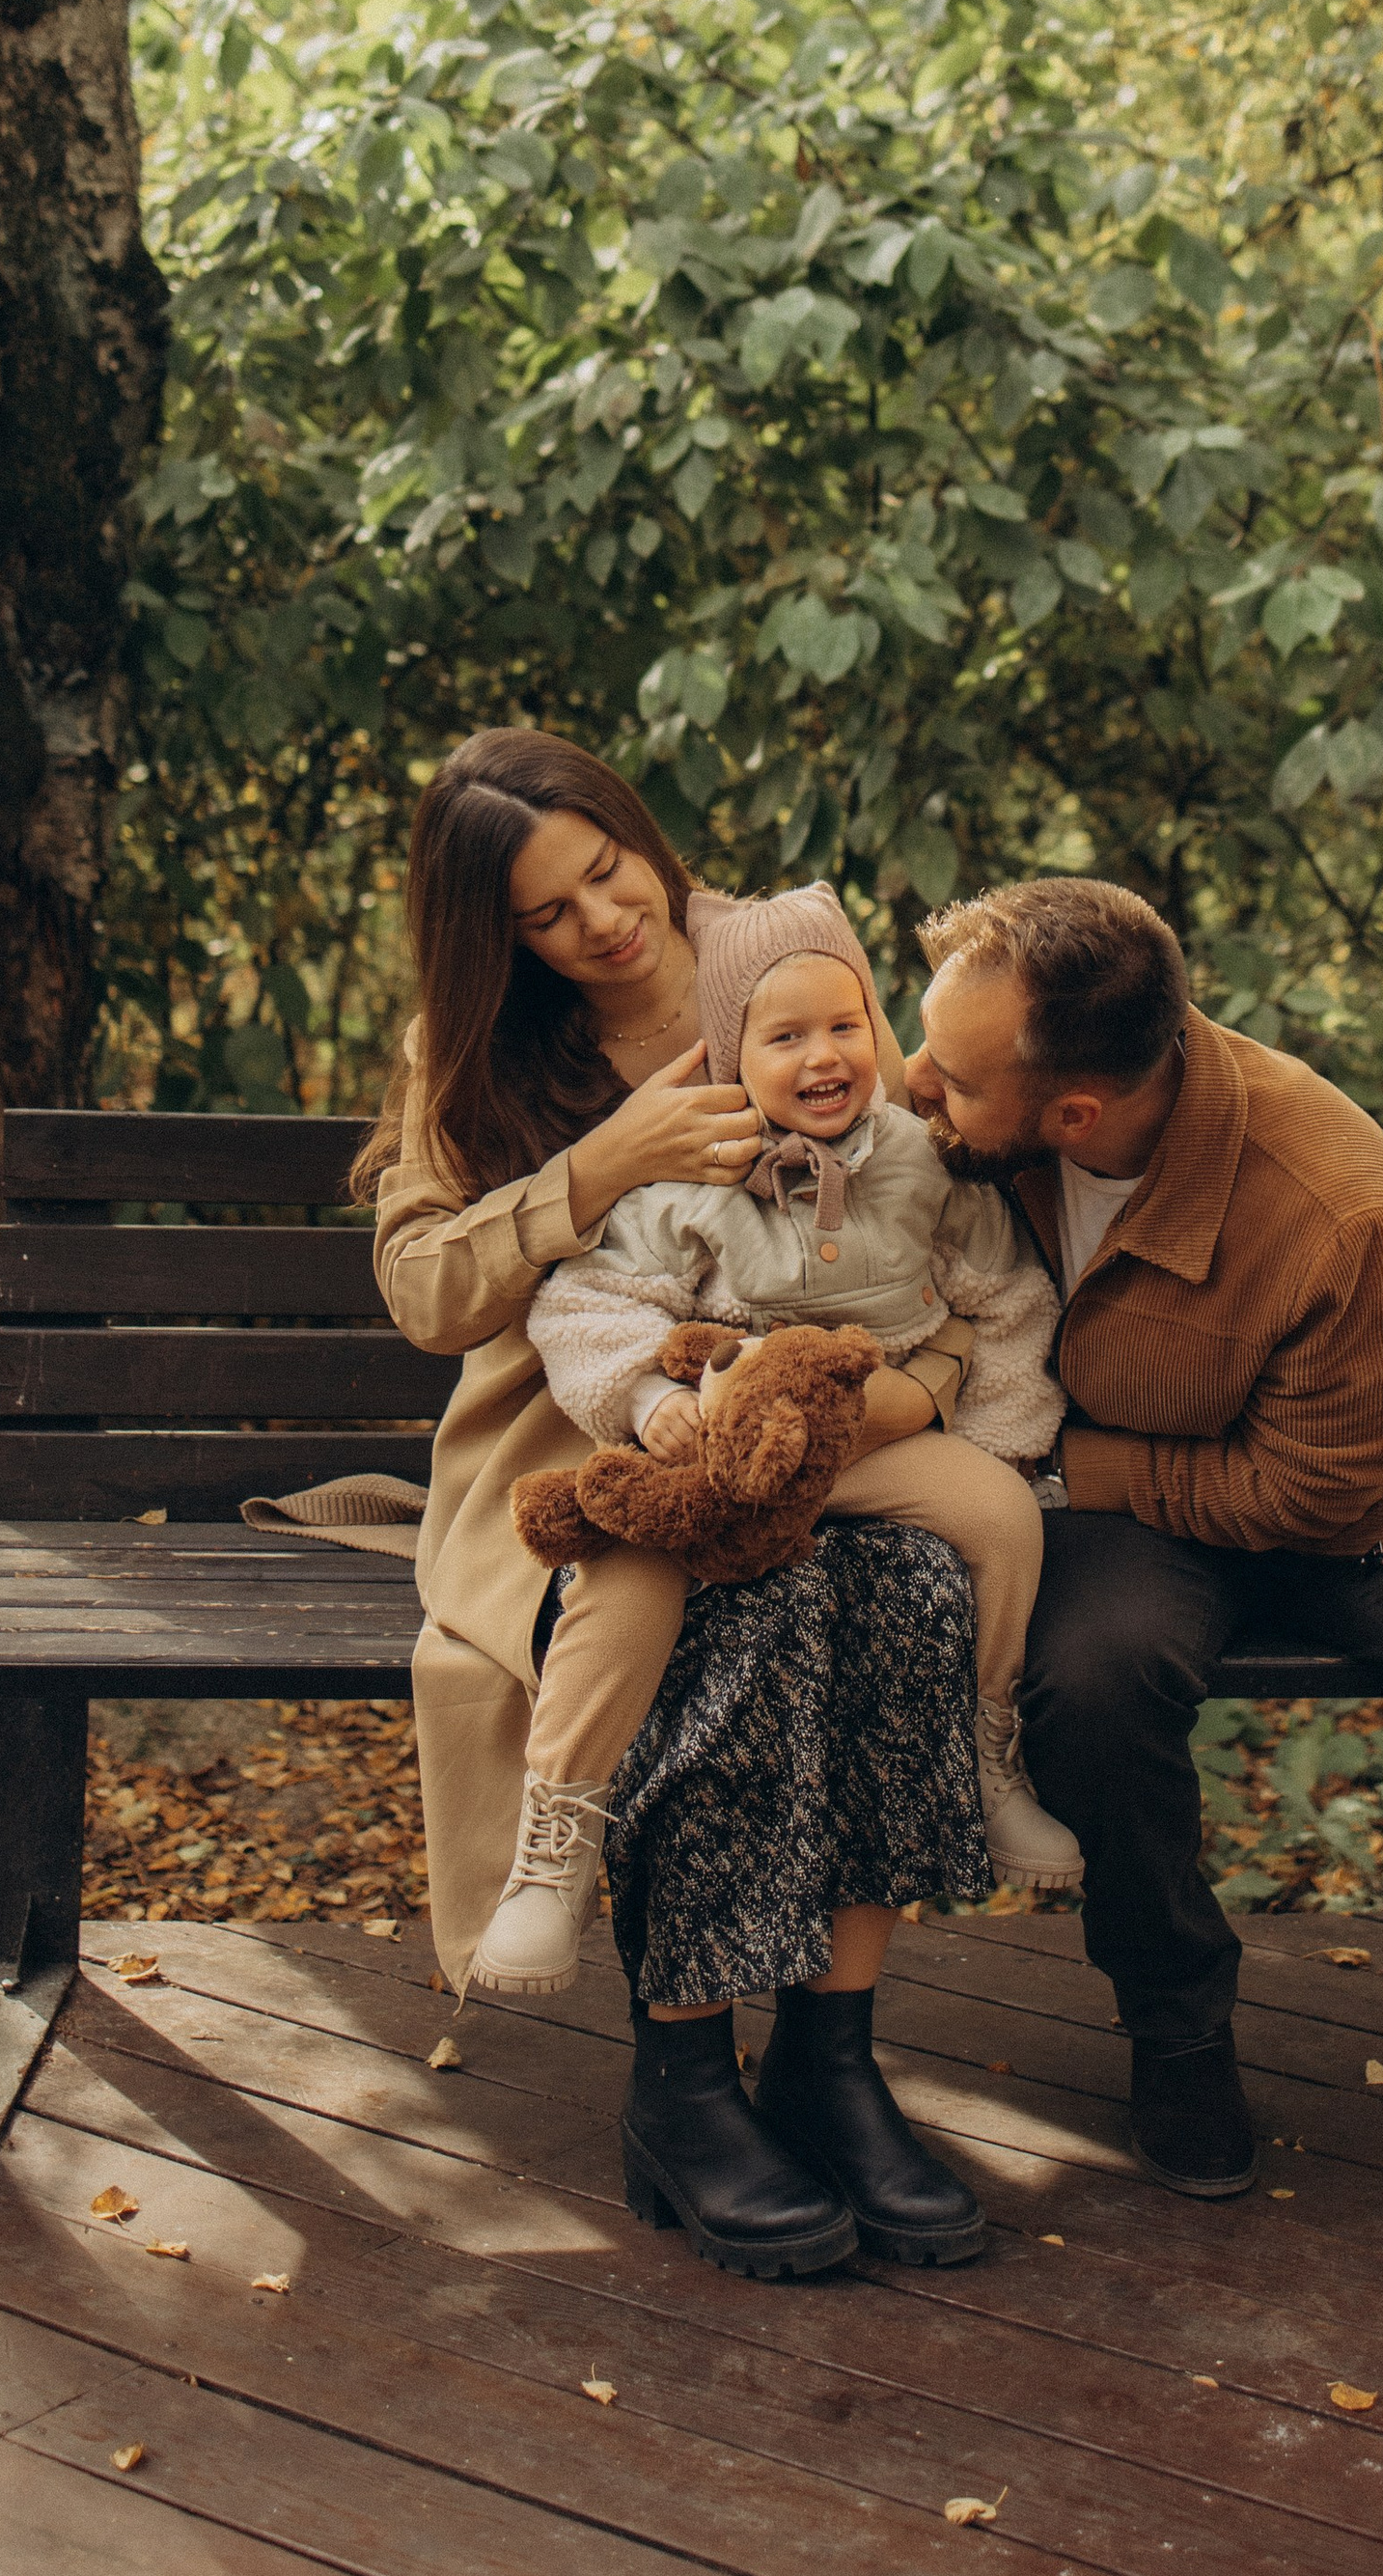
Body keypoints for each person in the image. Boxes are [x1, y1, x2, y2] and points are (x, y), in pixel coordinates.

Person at [905, 875, 1383, 2361]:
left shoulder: (1343, 1207)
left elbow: (1311, 1490)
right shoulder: (961, 1137)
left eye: (955, 1074)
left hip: (1354, 1483)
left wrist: (1069, 1464)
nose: (916, 1084)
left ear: (1079, 1113)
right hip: (1134, 1517)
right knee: (1091, 1673)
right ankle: (1177, 2033)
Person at [316, 728, 989, 2278]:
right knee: (744, 1607)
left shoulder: (781, 965)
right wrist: (596, 1169)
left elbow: (937, 1193)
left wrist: (927, 1381)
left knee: (909, 1597)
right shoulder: (477, 1045)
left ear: (640, 836)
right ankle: (683, 2084)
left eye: (609, 876)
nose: (602, 927)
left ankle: (831, 2059)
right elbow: (424, 1289)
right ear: (500, 938)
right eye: (547, 917)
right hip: (592, 1446)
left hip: (837, 1426)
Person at [481, 879, 1077, 1995]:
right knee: (625, 1571)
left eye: (844, 1025)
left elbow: (1008, 1302)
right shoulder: (692, 1176)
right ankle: (554, 1842)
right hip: (717, 1444)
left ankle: (993, 1757)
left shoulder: (920, 1161)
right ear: (730, 1054)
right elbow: (583, 1307)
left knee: (999, 1520)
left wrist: (996, 1435)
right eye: (784, 1035)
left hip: (868, 1439)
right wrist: (651, 1410)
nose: (822, 1056)